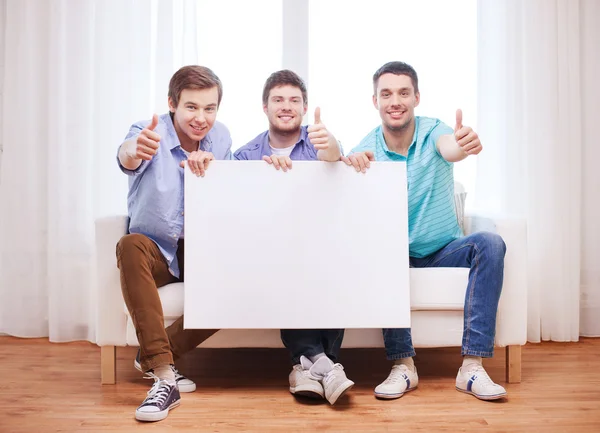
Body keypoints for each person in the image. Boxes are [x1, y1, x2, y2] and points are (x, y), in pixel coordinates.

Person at [342, 61, 507, 402]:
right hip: (396, 254)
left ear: (416, 97)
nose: (395, 101)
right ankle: (403, 365)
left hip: (442, 249)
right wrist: (353, 167)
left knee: (491, 243)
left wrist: (464, 144)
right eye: (386, 94)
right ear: (375, 101)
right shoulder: (366, 148)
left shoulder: (434, 131)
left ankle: (471, 367)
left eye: (403, 92)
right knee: (383, 248)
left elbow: (451, 148)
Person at [116, 65, 231, 422]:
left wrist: (213, 175)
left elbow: (228, 200)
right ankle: (165, 379)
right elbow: (127, 155)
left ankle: (149, 354)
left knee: (239, 282)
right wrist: (135, 148)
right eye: (192, 107)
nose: (201, 118)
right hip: (156, 247)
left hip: (198, 248)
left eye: (209, 108)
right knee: (129, 245)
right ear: (172, 104)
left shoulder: (222, 138)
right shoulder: (149, 131)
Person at [234, 70, 354, 405]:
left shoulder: (320, 143)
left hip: (320, 245)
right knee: (289, 259)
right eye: (278, 100)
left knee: (328, 258)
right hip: (269, 250)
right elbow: (237, 215)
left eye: (294, 100)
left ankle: (307, 366)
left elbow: (334, 158)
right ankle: (328, 365)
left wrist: (331, 149)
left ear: (304, 108)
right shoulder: (245, 156)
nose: (286, 106)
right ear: (265, 107)